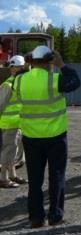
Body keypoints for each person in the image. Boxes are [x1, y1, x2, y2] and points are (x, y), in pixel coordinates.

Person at [15, 46, 80, 227]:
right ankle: (55, 215)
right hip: (55, 136)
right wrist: (62, 65)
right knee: (56, 176)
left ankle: (36, 217)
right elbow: (75, 82)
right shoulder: (55, 79)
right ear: (50, 61)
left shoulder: (19, 80)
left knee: (34, 179)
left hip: (31, 136)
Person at [0, 55, 29, 188]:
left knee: (14, 151)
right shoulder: (8, 85)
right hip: (9, 124)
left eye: (21, 67)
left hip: (18, 123)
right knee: (8, 151)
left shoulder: (19, 84)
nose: (21, 70)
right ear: (12, 69)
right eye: (18, 67)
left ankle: (13, 175)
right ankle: (3, 179)